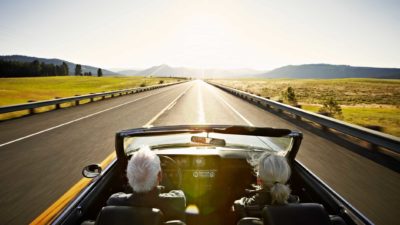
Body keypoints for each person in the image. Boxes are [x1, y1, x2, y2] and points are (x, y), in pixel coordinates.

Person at [107, 146, 186, 221]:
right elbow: (178, 194)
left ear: (128, 176)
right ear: (160, 176)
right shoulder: (178, 200)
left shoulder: (114, 202)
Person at [233, 152, 299, 218]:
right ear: (285, 178)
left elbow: (237, 206)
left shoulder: (244, 206)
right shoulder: (295, 203)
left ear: (259, 179)